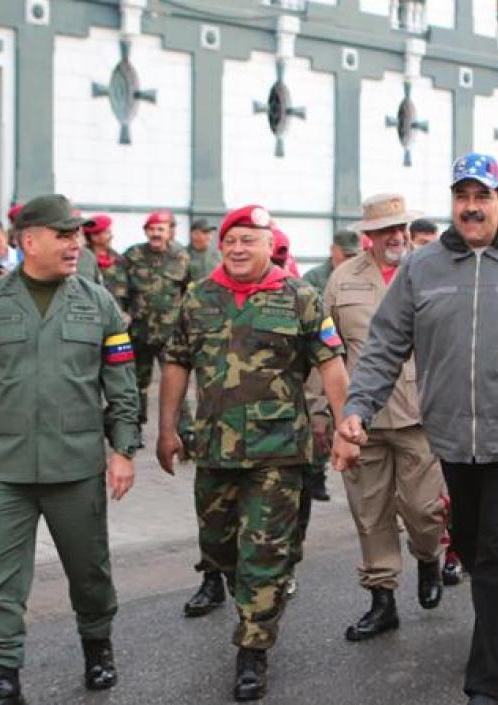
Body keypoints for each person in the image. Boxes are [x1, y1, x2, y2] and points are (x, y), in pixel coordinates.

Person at [334, 152, 498, 705]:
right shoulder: (422, 269)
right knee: (476, 549)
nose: (472, 208)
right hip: (451, 436)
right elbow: (383, 346)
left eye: (482, 197)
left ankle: (485, 683)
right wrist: (358, 406)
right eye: (462, 197)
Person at [0, 194, 141, 705]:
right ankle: (2, 677)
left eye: (77, 236)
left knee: (89, 572)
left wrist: (122, 450)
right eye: (64, 235)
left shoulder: (97, 302)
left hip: (75, 468)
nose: (75, 244)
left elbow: (122, 383)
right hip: (5, 468)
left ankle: (98, 647)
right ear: (29, 241)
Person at [157, 204, 350, 701]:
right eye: (231, 240)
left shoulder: (299, 298)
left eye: (250, 240)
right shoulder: (198, 298)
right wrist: (166, 429)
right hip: (214, 447)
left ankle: (252, 650)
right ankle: (250, 586)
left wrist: (347, 426)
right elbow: (176, 362)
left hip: (277, 450)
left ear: (270, 246)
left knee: (261, 553)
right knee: (219, 548)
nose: (239, 249)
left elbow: (330, 365)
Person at [325, 192, 447, 642]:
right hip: (363, 419)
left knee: (424, 509)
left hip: (422, 415)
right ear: (368, 236)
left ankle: (428, 556)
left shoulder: (434, 270)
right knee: (369, 512)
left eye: (401, 228)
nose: (396, 236)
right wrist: (327, 417)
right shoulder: (342, 280)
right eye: (385, 230)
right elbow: (327, 353)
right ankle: (382, 600)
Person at [299, 228, 362, 505]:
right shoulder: (314, 279)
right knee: (317, 418)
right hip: (319, 353)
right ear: (332, 250)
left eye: (353, 255)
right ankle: (315, 471)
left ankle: (321, 471)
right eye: (344, 254)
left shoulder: (358, 276)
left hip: (349, 357)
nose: (348, 259)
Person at [122, 209, 191, 431]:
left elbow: (190, 291)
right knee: (135, 384)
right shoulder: (133, 255)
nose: (156, 233)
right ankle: (133, 429)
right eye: (151, 229)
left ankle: (185, 432)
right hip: (139, 331)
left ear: (169, 232)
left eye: (160, 229)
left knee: (176, 382)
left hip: (170, 334)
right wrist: (122, 312)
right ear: (146, 231)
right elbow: (119, 288)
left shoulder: (181, 257)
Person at [83, 215, 129, 310]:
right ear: (94, 237)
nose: (111, 236)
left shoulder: (119, 260)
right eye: (107, 233)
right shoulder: (83, 260)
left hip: (116, 316)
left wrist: (127, 313)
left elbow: (129, 292)